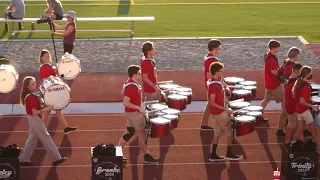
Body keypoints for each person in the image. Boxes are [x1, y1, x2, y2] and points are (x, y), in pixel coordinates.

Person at [19, 76, 66, 166]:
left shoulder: (30, 95)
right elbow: (35, 111)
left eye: (35, 82)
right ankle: (56, 159)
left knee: (32, 140)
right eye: (32, 84)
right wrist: (48, 108)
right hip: (35, 119)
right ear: (28, 86)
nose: (35, 85)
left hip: (33, 119)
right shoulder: (31, 97)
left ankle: (24, 160)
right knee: (46, 138)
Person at [118, 65, 159, 164]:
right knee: (142, 135)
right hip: (134, 114)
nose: (140, 74)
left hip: (130, 113)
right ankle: (146, 156)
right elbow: (125, 102)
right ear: (134, 75)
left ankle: (117, 153)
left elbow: (122, 92)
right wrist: (138, 108)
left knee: (130, 132)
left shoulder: (129, 83)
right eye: (139, 73)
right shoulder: (132, 86)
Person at [207, 62, 243, 161]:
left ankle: (213, 154)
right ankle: (229, 153)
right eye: (221, 71)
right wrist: (225, 110)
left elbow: (219, 97)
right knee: (229, 132)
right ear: (216, 72)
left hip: (215, 113)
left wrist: (227, 101)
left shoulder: (214, 81)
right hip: (219, 113)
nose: (222, 72)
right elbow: (212, 102)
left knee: (217, 133)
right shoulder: (214, 85)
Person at [38, 49, 77, 134]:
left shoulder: (47, 66)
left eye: (48, 55)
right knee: (48, 111)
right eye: (45, 56)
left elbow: (52, 76)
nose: (47, 57)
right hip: (49, 92)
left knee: (54, 110)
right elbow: (45, 79)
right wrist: (55, 77)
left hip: (50, 92)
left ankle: (65, 128)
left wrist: (57, 76)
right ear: (41, 58)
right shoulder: (44, 67)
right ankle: (41, 130)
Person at [260, 39, 287, 136]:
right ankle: (285, 118)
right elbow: (273, 71)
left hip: (268, 83)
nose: (278, 49)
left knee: (266, 99)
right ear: (274, 48)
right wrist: (281, 73)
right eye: (278, 48)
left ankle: (259, 115)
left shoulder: (267, 55)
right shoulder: (272, 58)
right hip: (274, 84)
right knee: (285, 99)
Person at [292, 66, 319, 144]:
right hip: (304, 110)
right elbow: (301, 101)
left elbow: (295, 96)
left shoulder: (298, 82)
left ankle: (293, 142)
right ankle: (315, 145)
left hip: (298, 110)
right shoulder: (305, 86)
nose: (311, 74)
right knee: (313, 129)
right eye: (310, 73)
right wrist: (312, 106)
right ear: (307, 74)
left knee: (300, 129)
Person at [200, 39, 222, 131]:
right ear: (214, 48)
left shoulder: (207, 57)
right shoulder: (212, 59)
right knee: (213, 103)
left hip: (210, 83)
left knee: (211, 103)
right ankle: (207, 124)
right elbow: (210, 73)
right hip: (213, 84)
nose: (219, 49)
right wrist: (218, 82)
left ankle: (205, 124)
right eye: (218, 48)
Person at [283, 63, 302, 145]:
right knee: (291, 124)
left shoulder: (289, 80)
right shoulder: (294, 82)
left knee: (293, 124)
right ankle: (287, 141)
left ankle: (291, 140)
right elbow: (294, 95)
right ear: (297, 71)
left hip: (288, 104)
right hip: (293, 105)